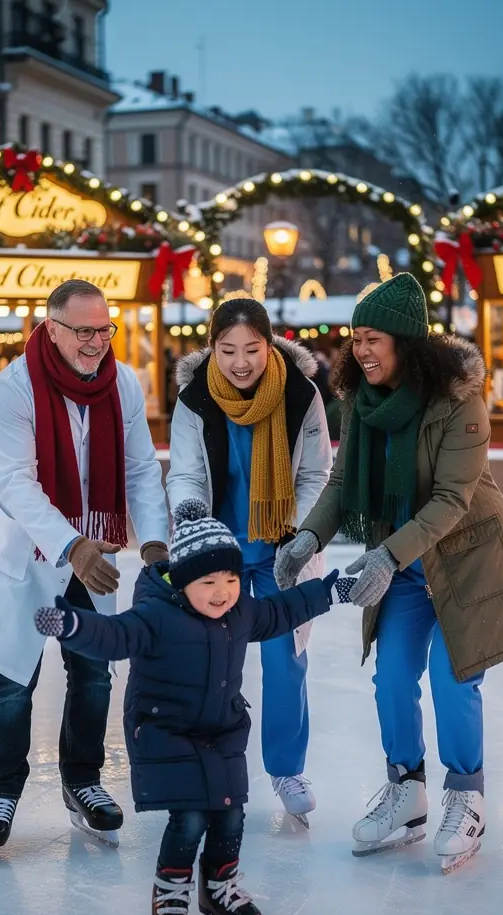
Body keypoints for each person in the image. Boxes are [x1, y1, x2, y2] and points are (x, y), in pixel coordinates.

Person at [275, 273, 503, 872]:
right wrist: (308, 535)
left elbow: (452, 498)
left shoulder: (457, 401)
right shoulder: (360, 403)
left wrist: (385, 556)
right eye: (356, 338)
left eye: (374, 339)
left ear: (405, 343)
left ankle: (466, 795)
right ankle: (406, 790)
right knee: (391, 677)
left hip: (464, 562)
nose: (361, 350)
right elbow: (342, 483)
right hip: (406, 567)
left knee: (454, 678)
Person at [34, 500, 339, 915]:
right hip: (165, 729)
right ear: (182, 581)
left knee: (230, 812)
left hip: (222, 730)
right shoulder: (156, 616)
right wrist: (72, 624)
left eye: (232, 580)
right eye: (209, 583)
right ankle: (170, 887)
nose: (223, 593)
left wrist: (334, 591)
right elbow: (113, 636)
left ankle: (219, 886)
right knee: (192, 815)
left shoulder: (241, 612)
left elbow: (282, 609)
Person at [0, 279, 170, 850]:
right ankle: (1, 788)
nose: (96, 342)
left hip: (94, 550)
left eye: (104, 329)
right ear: (52, 329)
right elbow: (14, 482)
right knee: (13, 677)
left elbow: (138, 469)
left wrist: (153, 544)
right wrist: (71, 546)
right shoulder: (14, 388)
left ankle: (83, 781)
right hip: (26, 552)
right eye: (83, 331)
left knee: (92, 672)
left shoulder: (122, 383)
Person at [166, 298, 332, 824]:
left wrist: (298, 536)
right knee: (213, 661)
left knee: (286, 658)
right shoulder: (194, 400)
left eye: (252, 350)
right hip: (220, 548)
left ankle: (285, 768)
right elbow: (186, 473)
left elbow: (316, 475)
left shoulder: (302, 395)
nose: (241, 362)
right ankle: (210, 764)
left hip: (282, 547)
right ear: (212, 348)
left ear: (269, 344)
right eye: (228, 349)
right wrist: (191, 515)